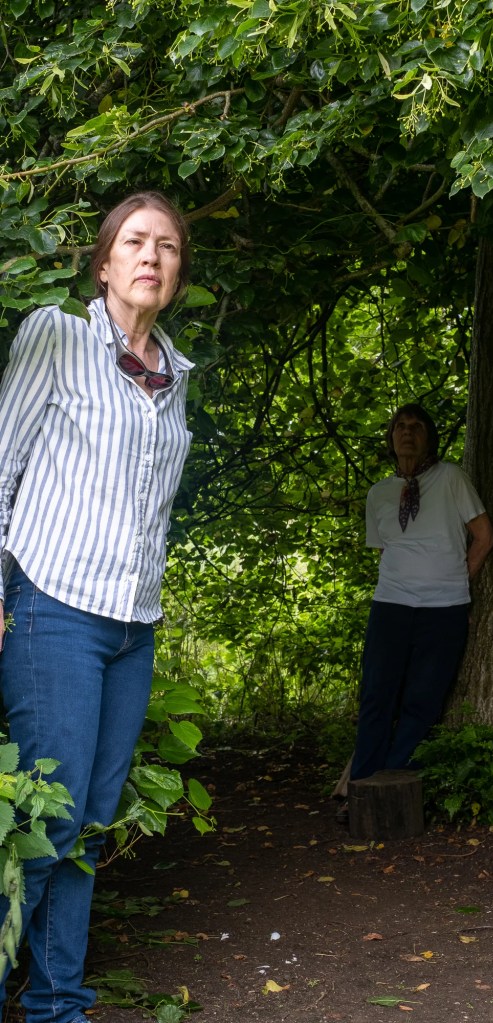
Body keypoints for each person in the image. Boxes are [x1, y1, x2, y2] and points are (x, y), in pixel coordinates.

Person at [0, 191, 193, 1023]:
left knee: (87, 827)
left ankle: (57, 1005)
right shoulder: (56, 334)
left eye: (169, 247)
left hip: (133, 624)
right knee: (46, 818)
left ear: (179, 272)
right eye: (136, 242)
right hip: (54, 608)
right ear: (106, 260)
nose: (152, 256)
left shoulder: (176, 373)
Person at [348, 403, 493, 791]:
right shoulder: (378, 493)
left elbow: (484, 536)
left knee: (423, 700)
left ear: (428, 436)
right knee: (377, 697)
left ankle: (393, 782)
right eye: (399, 426)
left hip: (444, 609)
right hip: (391, 606)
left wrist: (456, 581)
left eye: (415, 426)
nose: (407, 432)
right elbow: (385, 550)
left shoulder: (450, 478)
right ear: (391, 438)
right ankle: (361, 788)